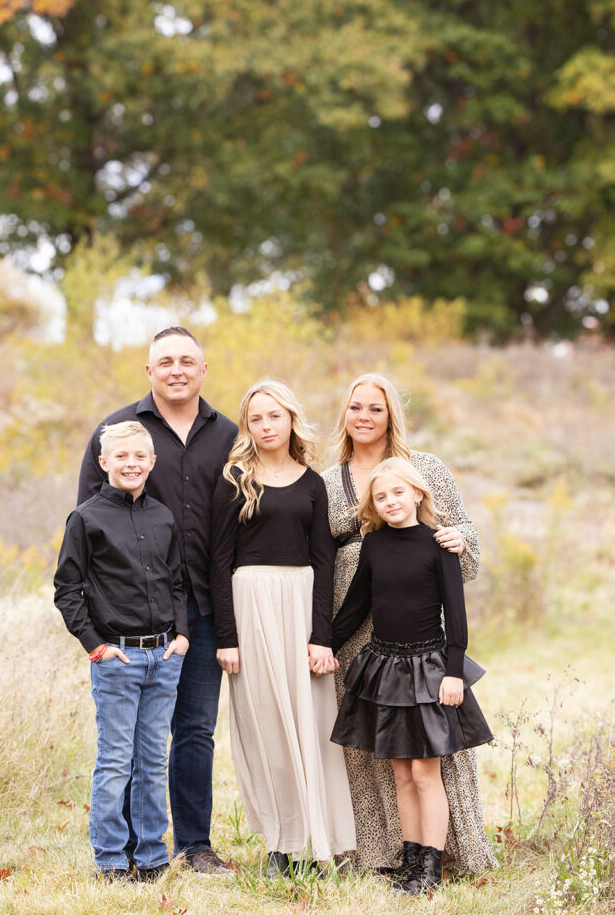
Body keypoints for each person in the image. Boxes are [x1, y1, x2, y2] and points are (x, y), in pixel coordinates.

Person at [323, 372, 497, 876]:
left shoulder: (427, 471)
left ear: (391, 414)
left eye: (375, 408)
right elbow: (333, 571)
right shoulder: (331, 480)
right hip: (368, 643)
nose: (364, 417)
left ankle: (439, 858)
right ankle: (387, 853)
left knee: (429, 761)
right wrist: (321, 638)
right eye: (355, 407)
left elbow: (461, 541)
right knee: (379, 752)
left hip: (426, 644)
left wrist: (460, 541)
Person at [77, 327, 237, 875]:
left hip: (207, 609)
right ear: (149, 371)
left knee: (194, 729)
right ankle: (122, 854)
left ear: (203, 369)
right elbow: (89, 521)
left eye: (186, 361)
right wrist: (96, 634)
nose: (176, 369)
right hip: (134, 616)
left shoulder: (229, 436)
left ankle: (193, 846)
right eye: (164, 361)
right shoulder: (119, 431)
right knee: (128, 744)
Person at [210, 380, 356, 875]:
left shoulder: (314, 484)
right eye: (256, 419)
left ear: (291, 419)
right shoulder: (235, 478)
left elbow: (324, 562)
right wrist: (226, 638)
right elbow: (219, 562)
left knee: (311, 727)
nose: (266, 426)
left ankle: (318, 842)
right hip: (251, 604)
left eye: (274, 416)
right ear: (247, 426)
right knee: (265, 727)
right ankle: (280, 844)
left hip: (301, 606)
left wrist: (322, 636)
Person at [54, 421, 189, 879]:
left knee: (153, 759)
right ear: (104, 463)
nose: (131, 464)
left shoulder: (163, 517)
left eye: (139, 457)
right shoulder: (86, 519)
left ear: (151, 462)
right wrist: (95, 647)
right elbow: (67, 590)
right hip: (118, 658)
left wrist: (182, 637)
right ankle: (110, 860)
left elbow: (177, 582)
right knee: (115, 760)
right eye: (121, 457)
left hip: (163, 656)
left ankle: (151, 856)